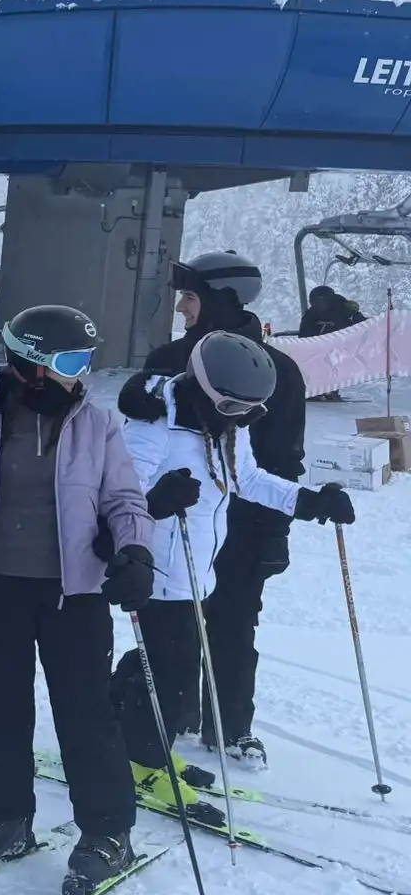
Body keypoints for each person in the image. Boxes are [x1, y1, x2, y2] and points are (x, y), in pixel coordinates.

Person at [0, 305, 153, 895]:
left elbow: (125, 500)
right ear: (30, 363)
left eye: (86, 362)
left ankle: (108, 832)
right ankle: (4, 819)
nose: (82, 375)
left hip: (72, 594)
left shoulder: (97, 425)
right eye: (71, 362)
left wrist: (134, 551)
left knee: (85, 714)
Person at [113, 331, 339, 803]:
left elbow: (246, 479)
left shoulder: (223, 427)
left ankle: (126, 739)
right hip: (156, 569)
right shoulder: (154, 425)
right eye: (234, 407)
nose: (240, 418)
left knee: (162, 661)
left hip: (197, 570)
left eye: (250, 411)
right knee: (171, 672)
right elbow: (120, 498)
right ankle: (143, 760)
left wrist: (307, 501)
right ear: (204, 389)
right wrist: (157, 501)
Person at [119, 251, 306, 763]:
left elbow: (278, 460)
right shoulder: (169, 363)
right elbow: (134, 465)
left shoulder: (278, 371)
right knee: (173, 641)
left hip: (241, 525)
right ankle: (158, 726)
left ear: (223, 300)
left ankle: (230, 726)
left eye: (190, 296)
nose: (181, 306)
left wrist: (278, 531)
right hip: (176, 525)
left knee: (233, 628)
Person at [299, 283, 366, 338]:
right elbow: (304, 339)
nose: (318, 305)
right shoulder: (309, 317)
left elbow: (366, 331)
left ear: (330, 301)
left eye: (322, 302)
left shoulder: (346, 311)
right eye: (314, 302)